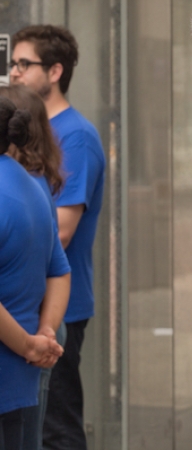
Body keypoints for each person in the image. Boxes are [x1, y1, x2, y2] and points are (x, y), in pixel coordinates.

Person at [10, 25, 106, 450]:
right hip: (26, 310)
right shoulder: (29, 134)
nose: (14, 71)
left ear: (55, 71)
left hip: (56, 309)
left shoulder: (75, 136)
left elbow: (60, 234)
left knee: (57, 430)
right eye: (12, 63)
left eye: (24, 63)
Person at [0, 98, 71, 450]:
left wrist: (31, 344)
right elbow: (59, 271)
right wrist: (45, 331)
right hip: (23, 376)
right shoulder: (33, 187)